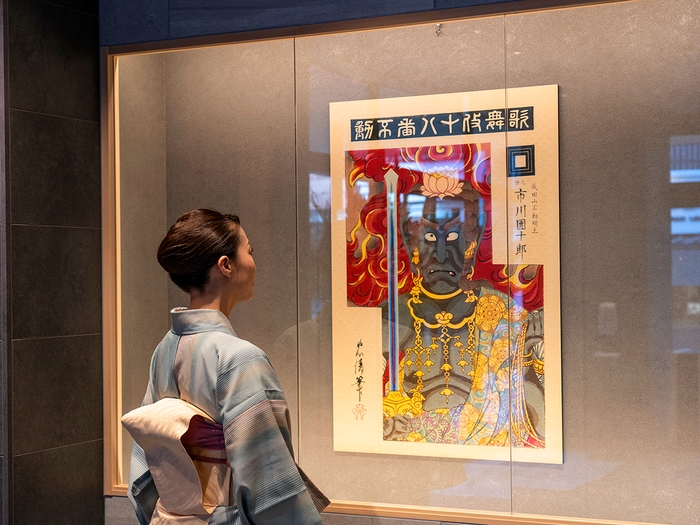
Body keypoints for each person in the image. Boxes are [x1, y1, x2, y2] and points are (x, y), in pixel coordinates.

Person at [122, 209, 329, 525]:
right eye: (249, 251)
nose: (254, 262)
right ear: (226, 265)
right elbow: (268, 480)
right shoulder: (239, 358)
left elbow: (144, 462)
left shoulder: (164, 350)